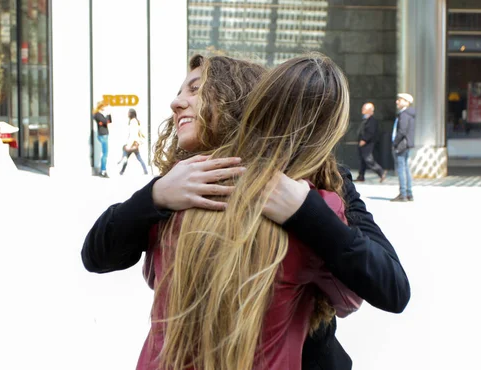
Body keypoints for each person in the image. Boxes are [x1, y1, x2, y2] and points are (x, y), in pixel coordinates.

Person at [83, 54, 410, 369]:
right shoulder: (180, 186)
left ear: (235, 98)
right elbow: (97, 256)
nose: (176, 102)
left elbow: (390, 288)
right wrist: (154, 196)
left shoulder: (321, 181)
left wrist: (306, 214)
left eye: (195, 90)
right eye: (179, 91)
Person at [391, 93, 416, 202]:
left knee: (401, 169)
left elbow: (402, 131)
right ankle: (409, 193)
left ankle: (403, 194)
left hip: (401, 145)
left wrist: (395, 142)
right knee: (405, 168)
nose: (397, 102)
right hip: (406, 144)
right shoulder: (408, 114)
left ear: (406, 102)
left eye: (400, 100)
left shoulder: (404, 114)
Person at [355, 102, 386, 182]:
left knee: (368, 159)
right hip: (362, 142)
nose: (362, 110)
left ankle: (381, 172)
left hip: (367, 143)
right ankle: (361, 176)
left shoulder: (372, 121)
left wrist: (364, 140)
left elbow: (370, 132)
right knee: (362, 160)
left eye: (364, 108)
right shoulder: (366, 119)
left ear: (369, 110)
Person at [118, 108, 148, 175]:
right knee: (138, 158)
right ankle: (145, 171)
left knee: (127, 155)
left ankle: (121, 168)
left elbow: (133, 134)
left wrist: (129, 145)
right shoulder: (135, 121)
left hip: (133, 143)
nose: (128, 114)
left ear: (132, 113)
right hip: (134, 143)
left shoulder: (133, 122)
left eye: (129, 113)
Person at [93, 101, 111, 178]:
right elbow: (104, 121)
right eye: (105, 106)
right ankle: (103, 170)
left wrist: (107, 119)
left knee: (105, 153)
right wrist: (106, 119)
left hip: (105, 135)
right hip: (103, 135)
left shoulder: (101, 115)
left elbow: (109, 121)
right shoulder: (98, 114)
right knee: (105, 154)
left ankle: (103, 170)